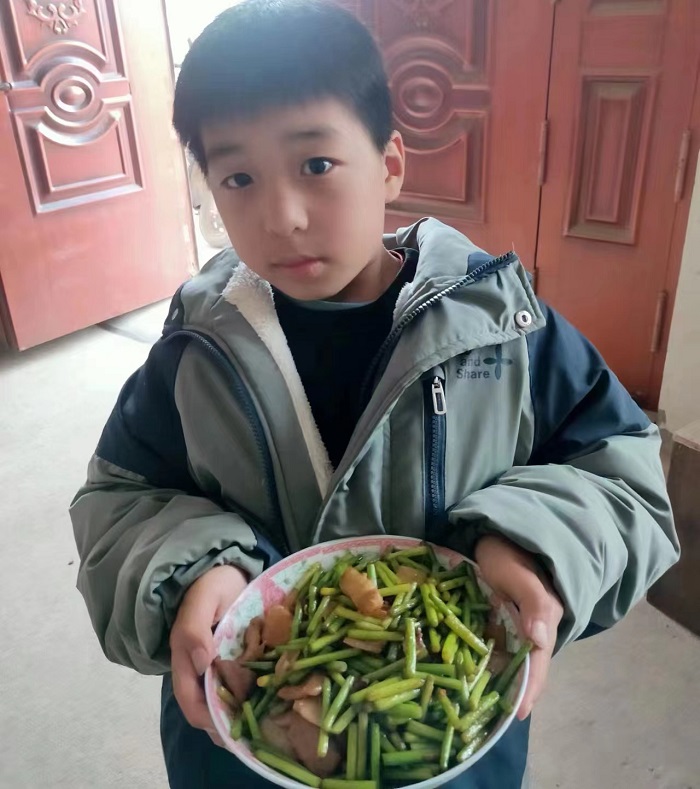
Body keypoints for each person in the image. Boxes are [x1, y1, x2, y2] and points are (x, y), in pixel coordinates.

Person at [70, 1, 679, 787]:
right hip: (244, 748)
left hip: (448, 740)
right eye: (239, 178)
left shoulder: (500, 326)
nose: (282, 217)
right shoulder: (197, 348)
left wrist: (530, 545)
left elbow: (624, 473)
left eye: (316, 164)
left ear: (391, 163)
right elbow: (118, 502)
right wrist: (196, 572)